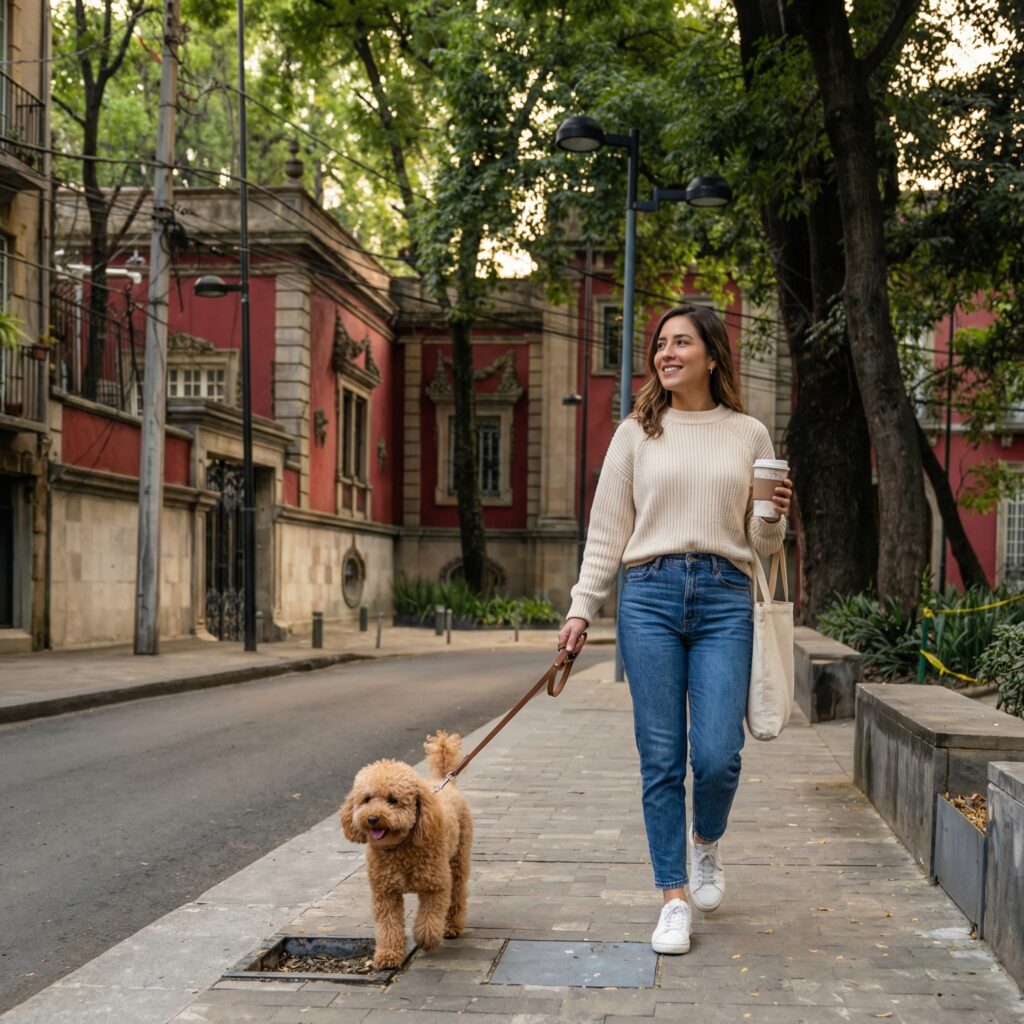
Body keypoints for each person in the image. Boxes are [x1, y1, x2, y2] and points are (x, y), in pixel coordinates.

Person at [558, 303, 793, 955]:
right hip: (649, 596)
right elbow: (608, 531)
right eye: (660, 343)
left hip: (724, 595)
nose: (666, 353)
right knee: (660, 759)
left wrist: (772, 516)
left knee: (717, 756)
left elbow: (762, 543)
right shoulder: (636, 432)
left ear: (712, 356)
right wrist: (582, 609)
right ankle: (672, 897)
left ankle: (705, 844)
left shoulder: (750, 433)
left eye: (681, 343)